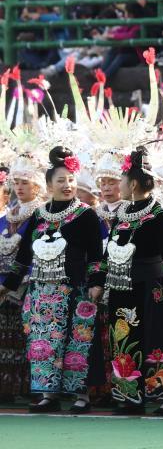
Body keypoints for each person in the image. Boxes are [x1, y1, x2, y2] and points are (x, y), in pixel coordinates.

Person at [0, 147, 104, 414]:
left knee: (77, 340)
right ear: (48, 185)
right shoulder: (39, 215)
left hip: (76, 289)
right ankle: (49, 393)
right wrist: (8, 285)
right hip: (42, 292)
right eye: (61, 181)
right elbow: (23, 258)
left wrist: (96, 283)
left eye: (71, 180)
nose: (68, 185)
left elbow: (96, 254)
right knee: (44, 342)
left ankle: (81, 395)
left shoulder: (86, 214)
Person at [104, 147, 163, 415]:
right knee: (123, 338)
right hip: (121, 287)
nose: (118, 185)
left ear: (133, 183)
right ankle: (129, 395)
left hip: (149, 287)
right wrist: (98, 281)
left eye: (121, 180)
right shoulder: (121, 215)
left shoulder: (159, 215)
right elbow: (107, 254)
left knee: (155, 339)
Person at [0, 154, 46, 402]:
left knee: (31, 334)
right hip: (4, 288)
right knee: (6, 336)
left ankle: (34, 388)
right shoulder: (6, 216)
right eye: (16, 182)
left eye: (25, 183)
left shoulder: (42, 215)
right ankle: (7, 389)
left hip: (31, 283)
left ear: (36, 186)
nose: (19, 187)